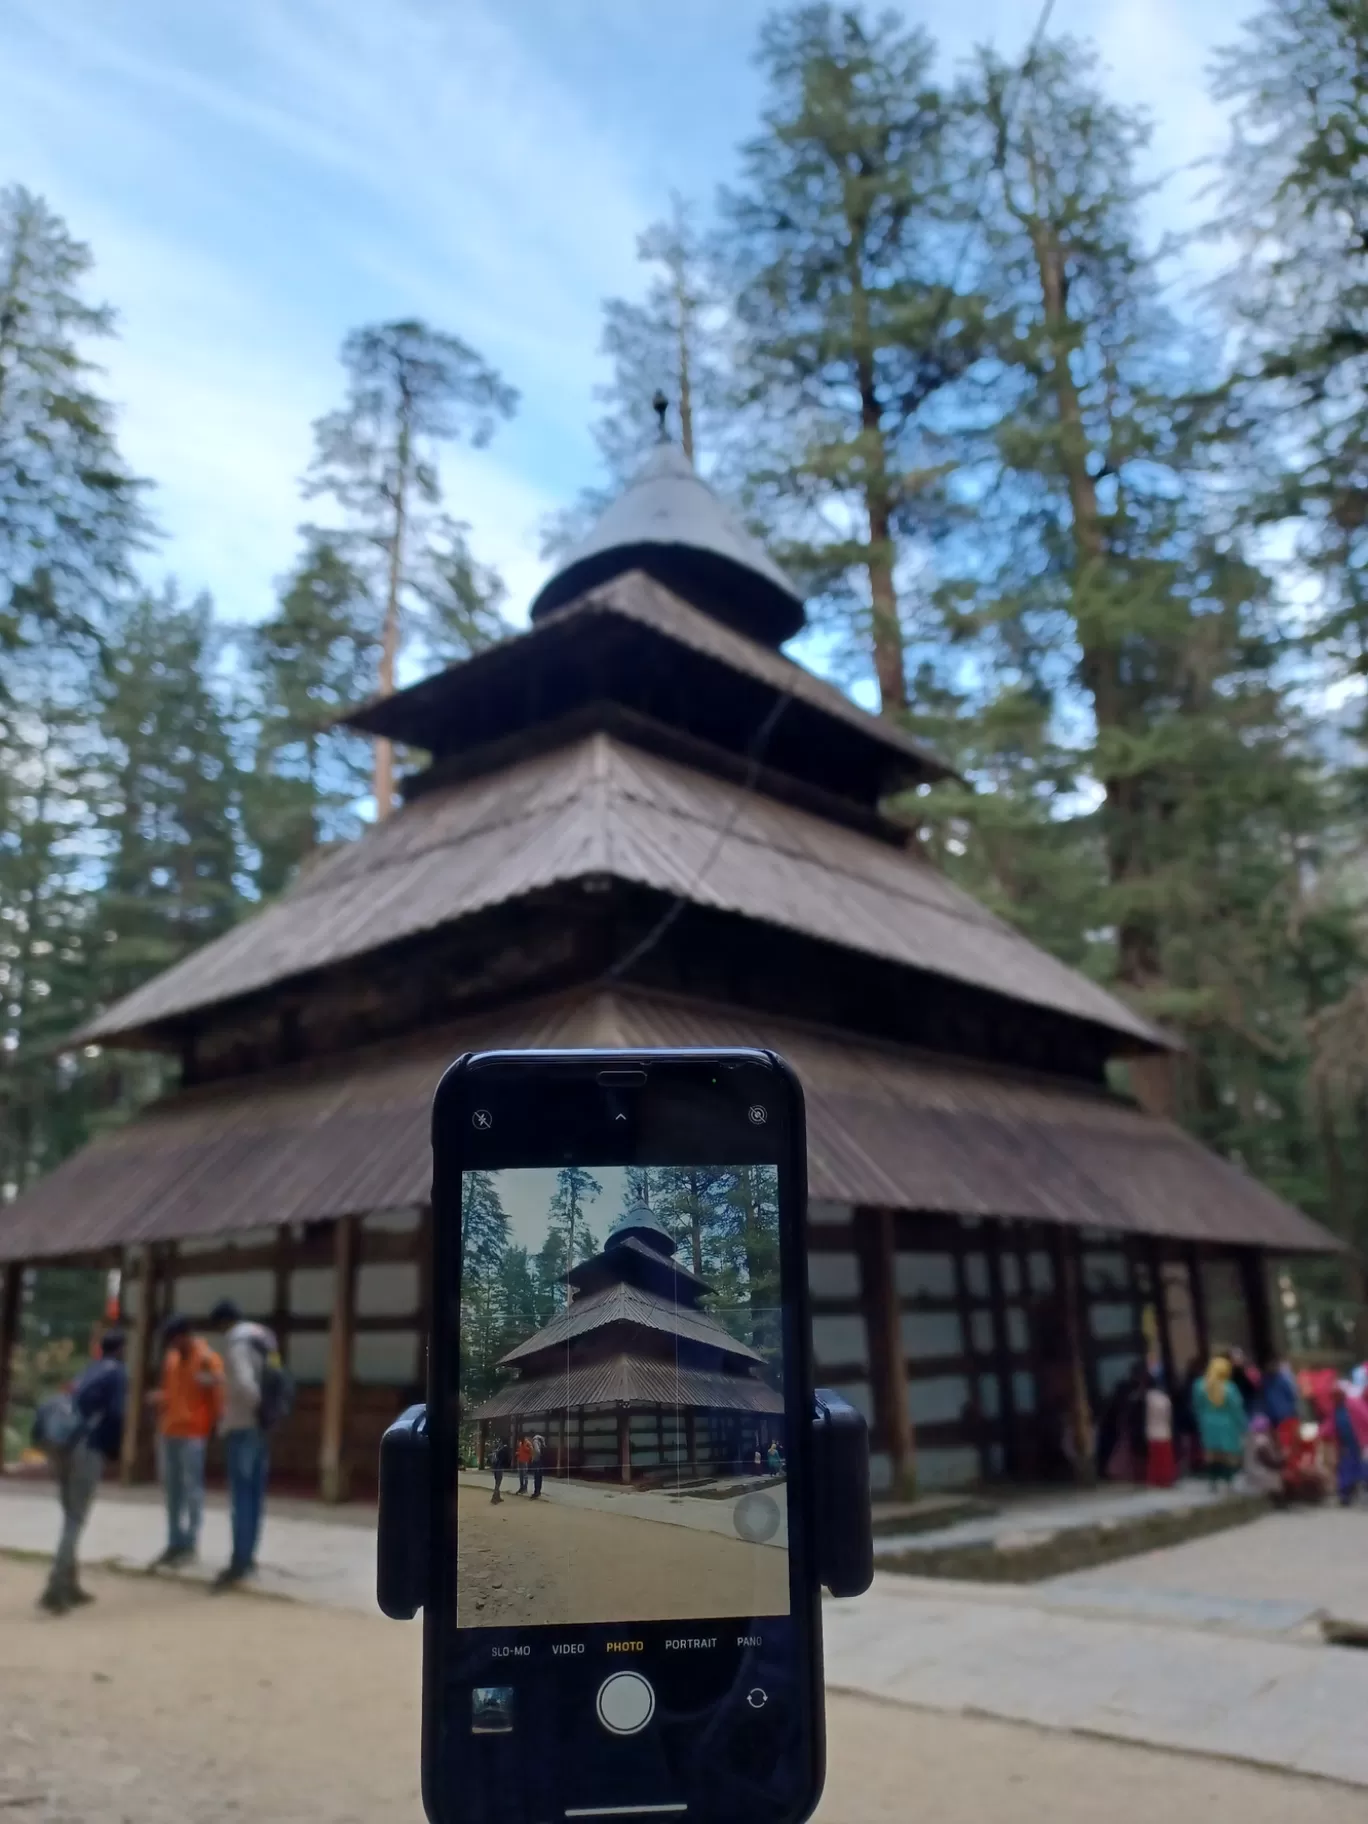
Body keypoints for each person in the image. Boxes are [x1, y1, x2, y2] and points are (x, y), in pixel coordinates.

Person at [39, 1330, 127, 1615]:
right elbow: (115, 1414)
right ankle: (55, 1586)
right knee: (76, 1518)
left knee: (69, 1515)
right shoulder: (117, 1374)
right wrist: (113, 1453)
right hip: (86, 1446)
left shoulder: (88, 1370)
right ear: (122, 1349)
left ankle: (70, 1584)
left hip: (59, 1445)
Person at [209, 1299, 279, 1589]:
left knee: (241, 1498)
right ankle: (250, 1555)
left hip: (243, 1425)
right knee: (256, 1495)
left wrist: (252, 1410)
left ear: (225, 1322)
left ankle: (240, 1560)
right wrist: (268, 1414)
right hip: (264, 1427)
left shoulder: (236, 1342)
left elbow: (243, 1383)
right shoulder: (265, 1338)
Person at [148, 1315, 223, 1568]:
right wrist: (161, 1398)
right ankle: (173, 1543)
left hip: (193, 1433)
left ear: (185, 1336)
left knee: (192, 1491)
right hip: (169, 1430)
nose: (171, 1345)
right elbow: (172, 1391)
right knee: (171, 1490)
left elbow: (217, 1396)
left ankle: (190, 1544)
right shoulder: (171, 1360)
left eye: (174, 1339)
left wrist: (212, 1426)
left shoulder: (207, 1360)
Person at [1192, 1355, 1247, 1488]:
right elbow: (1236, 1408)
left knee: (1211, 1453)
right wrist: (1243, 1425)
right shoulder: (1229, 1387)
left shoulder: (1199, 1385)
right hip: (1227, 1424)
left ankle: (1213, 1481)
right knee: (1228, 1454)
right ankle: (1229, 1481)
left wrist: (1200, 1421)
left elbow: (1196, 1406)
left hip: (1207, 1423)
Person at [1333, 1384, 1364, 1507]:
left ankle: (1350, 1492)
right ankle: (1346, 1494)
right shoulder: (1336, 1408)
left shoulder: (1353, 1405)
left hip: (1356, 1441)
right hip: (1345, 1443)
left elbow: (1364, 1418)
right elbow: (1332, 1425)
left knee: (1355, 1465)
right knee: (1347, 1466)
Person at [1144, 1374, 1176, 1488]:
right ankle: (1166, 1479)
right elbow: (1169, 1416)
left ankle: (1155, 1480)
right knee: (1165, 1459)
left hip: (1152, 1431)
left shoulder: (1147, 1398)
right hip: (1165, 1431)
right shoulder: (1165, 1399)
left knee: (1154, 1460)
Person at [1261, 1357, 1300, 1428]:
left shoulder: (1278, 1380)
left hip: (1284, 1414)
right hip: (1281, 1415)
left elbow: (1291, 1395)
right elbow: (1291, 1395)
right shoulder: (1268, 1382)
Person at [490, 1438, 509, 1503]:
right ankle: (494, 1497)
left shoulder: (498, 1448)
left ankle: (497, 1496)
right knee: (498, 1483)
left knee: (497, 1482)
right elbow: (504, 1459)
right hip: (499, 1467)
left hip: (495, 1467)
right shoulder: (503, 1450)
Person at [530, 1434, 545, 1499]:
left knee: (536, 1477)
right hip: (541, 1461)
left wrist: (535, 1456)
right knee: (540, 1477)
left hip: (537, 1461)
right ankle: (539, 1491)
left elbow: (537, 1451)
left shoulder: (535, 1441)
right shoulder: (541, 1440)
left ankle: (536, 1492)